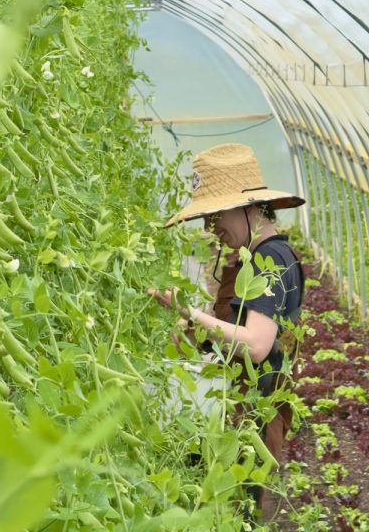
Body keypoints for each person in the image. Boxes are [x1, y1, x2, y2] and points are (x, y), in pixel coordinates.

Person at [148, 142, 306, 514]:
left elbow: (255, 345)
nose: (209, 227)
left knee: (240, 509)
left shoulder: (271, 258)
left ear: (246, 207)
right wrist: (197, 332)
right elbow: (237, 330)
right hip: (242, 403)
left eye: (214, 215)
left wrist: (186, 309)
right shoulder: (256, 256)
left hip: (252, 411)